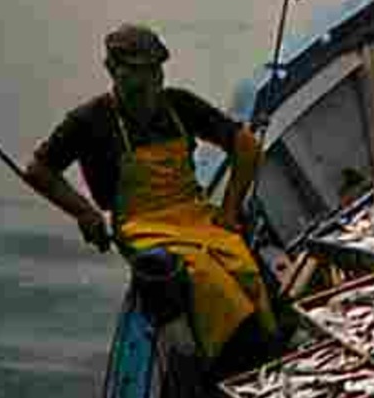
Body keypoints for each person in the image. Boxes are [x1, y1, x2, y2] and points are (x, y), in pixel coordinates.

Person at [25, 24, 278, 369]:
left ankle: (265, 340)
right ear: (112, 70)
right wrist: (84, 212)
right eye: (135, 74)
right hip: (142, 225)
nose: (147, 84)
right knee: (205, 278)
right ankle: (233, 359)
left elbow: (246, 147)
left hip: (195, 215)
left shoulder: (179, 105)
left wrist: (230, 211)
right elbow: (40, 169)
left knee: (245, 268)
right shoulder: (89, 121)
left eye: (154, 72)